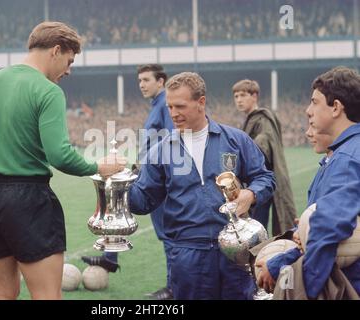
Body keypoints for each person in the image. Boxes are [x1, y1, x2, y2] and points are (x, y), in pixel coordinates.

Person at [0, 21, 125, 300]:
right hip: (27, 200)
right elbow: (59, 155)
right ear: (55, 50)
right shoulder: (48, 91)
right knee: (46, 296)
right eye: (69, 61)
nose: (69, 70)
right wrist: (98, 167)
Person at [128, 72, 275, 300]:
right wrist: (119, 183)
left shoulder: (235, 140)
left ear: (201, 102)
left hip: (236, 253)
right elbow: (142, 201)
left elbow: (265, 178)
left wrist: (251, 193)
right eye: (170, 107)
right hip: (188, 254)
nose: (174, 114)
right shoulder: (161, 150)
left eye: (180, 106)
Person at [257, 66, 360, 298]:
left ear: (336, 107)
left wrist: (299, 287)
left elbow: (326, 230)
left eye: (315, 102)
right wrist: (301, 231)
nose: (307, 110)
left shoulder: (346, 158)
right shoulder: (344, 153)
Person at [81, 64, 175, 300]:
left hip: (160, 179)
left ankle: (174, 288)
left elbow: (172, 141)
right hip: (148, 173)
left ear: (161, 81)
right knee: (118, 207)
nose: (141, 84)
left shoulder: (165, 104)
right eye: (139, 80)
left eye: (146, 80)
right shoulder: (156, 105)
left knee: (168, 232)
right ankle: (110, 257)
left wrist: (158, 172)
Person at [233, 79, 297, 235]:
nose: (239, 100)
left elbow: (263, 144)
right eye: (235, 96)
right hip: (253, 182)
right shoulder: (250, 118)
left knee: (254, 229)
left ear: (254, 96)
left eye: (242, 95)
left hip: (261, 182)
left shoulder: (262, 118)